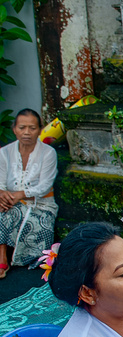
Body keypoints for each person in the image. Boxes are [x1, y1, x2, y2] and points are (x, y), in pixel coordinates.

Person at [0, 108, 58, 278]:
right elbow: (1, 183)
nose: (26, 132)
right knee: (5, 208)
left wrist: (18, 195)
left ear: (40, 129)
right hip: (10, 202)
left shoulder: (48, 153)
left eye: (32, 128)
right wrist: (3, 195)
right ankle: (2, 255)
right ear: (14, 129)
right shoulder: (4, 153)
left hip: (41, 205)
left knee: (9, 210)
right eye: (22, 127)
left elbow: (44, 187)